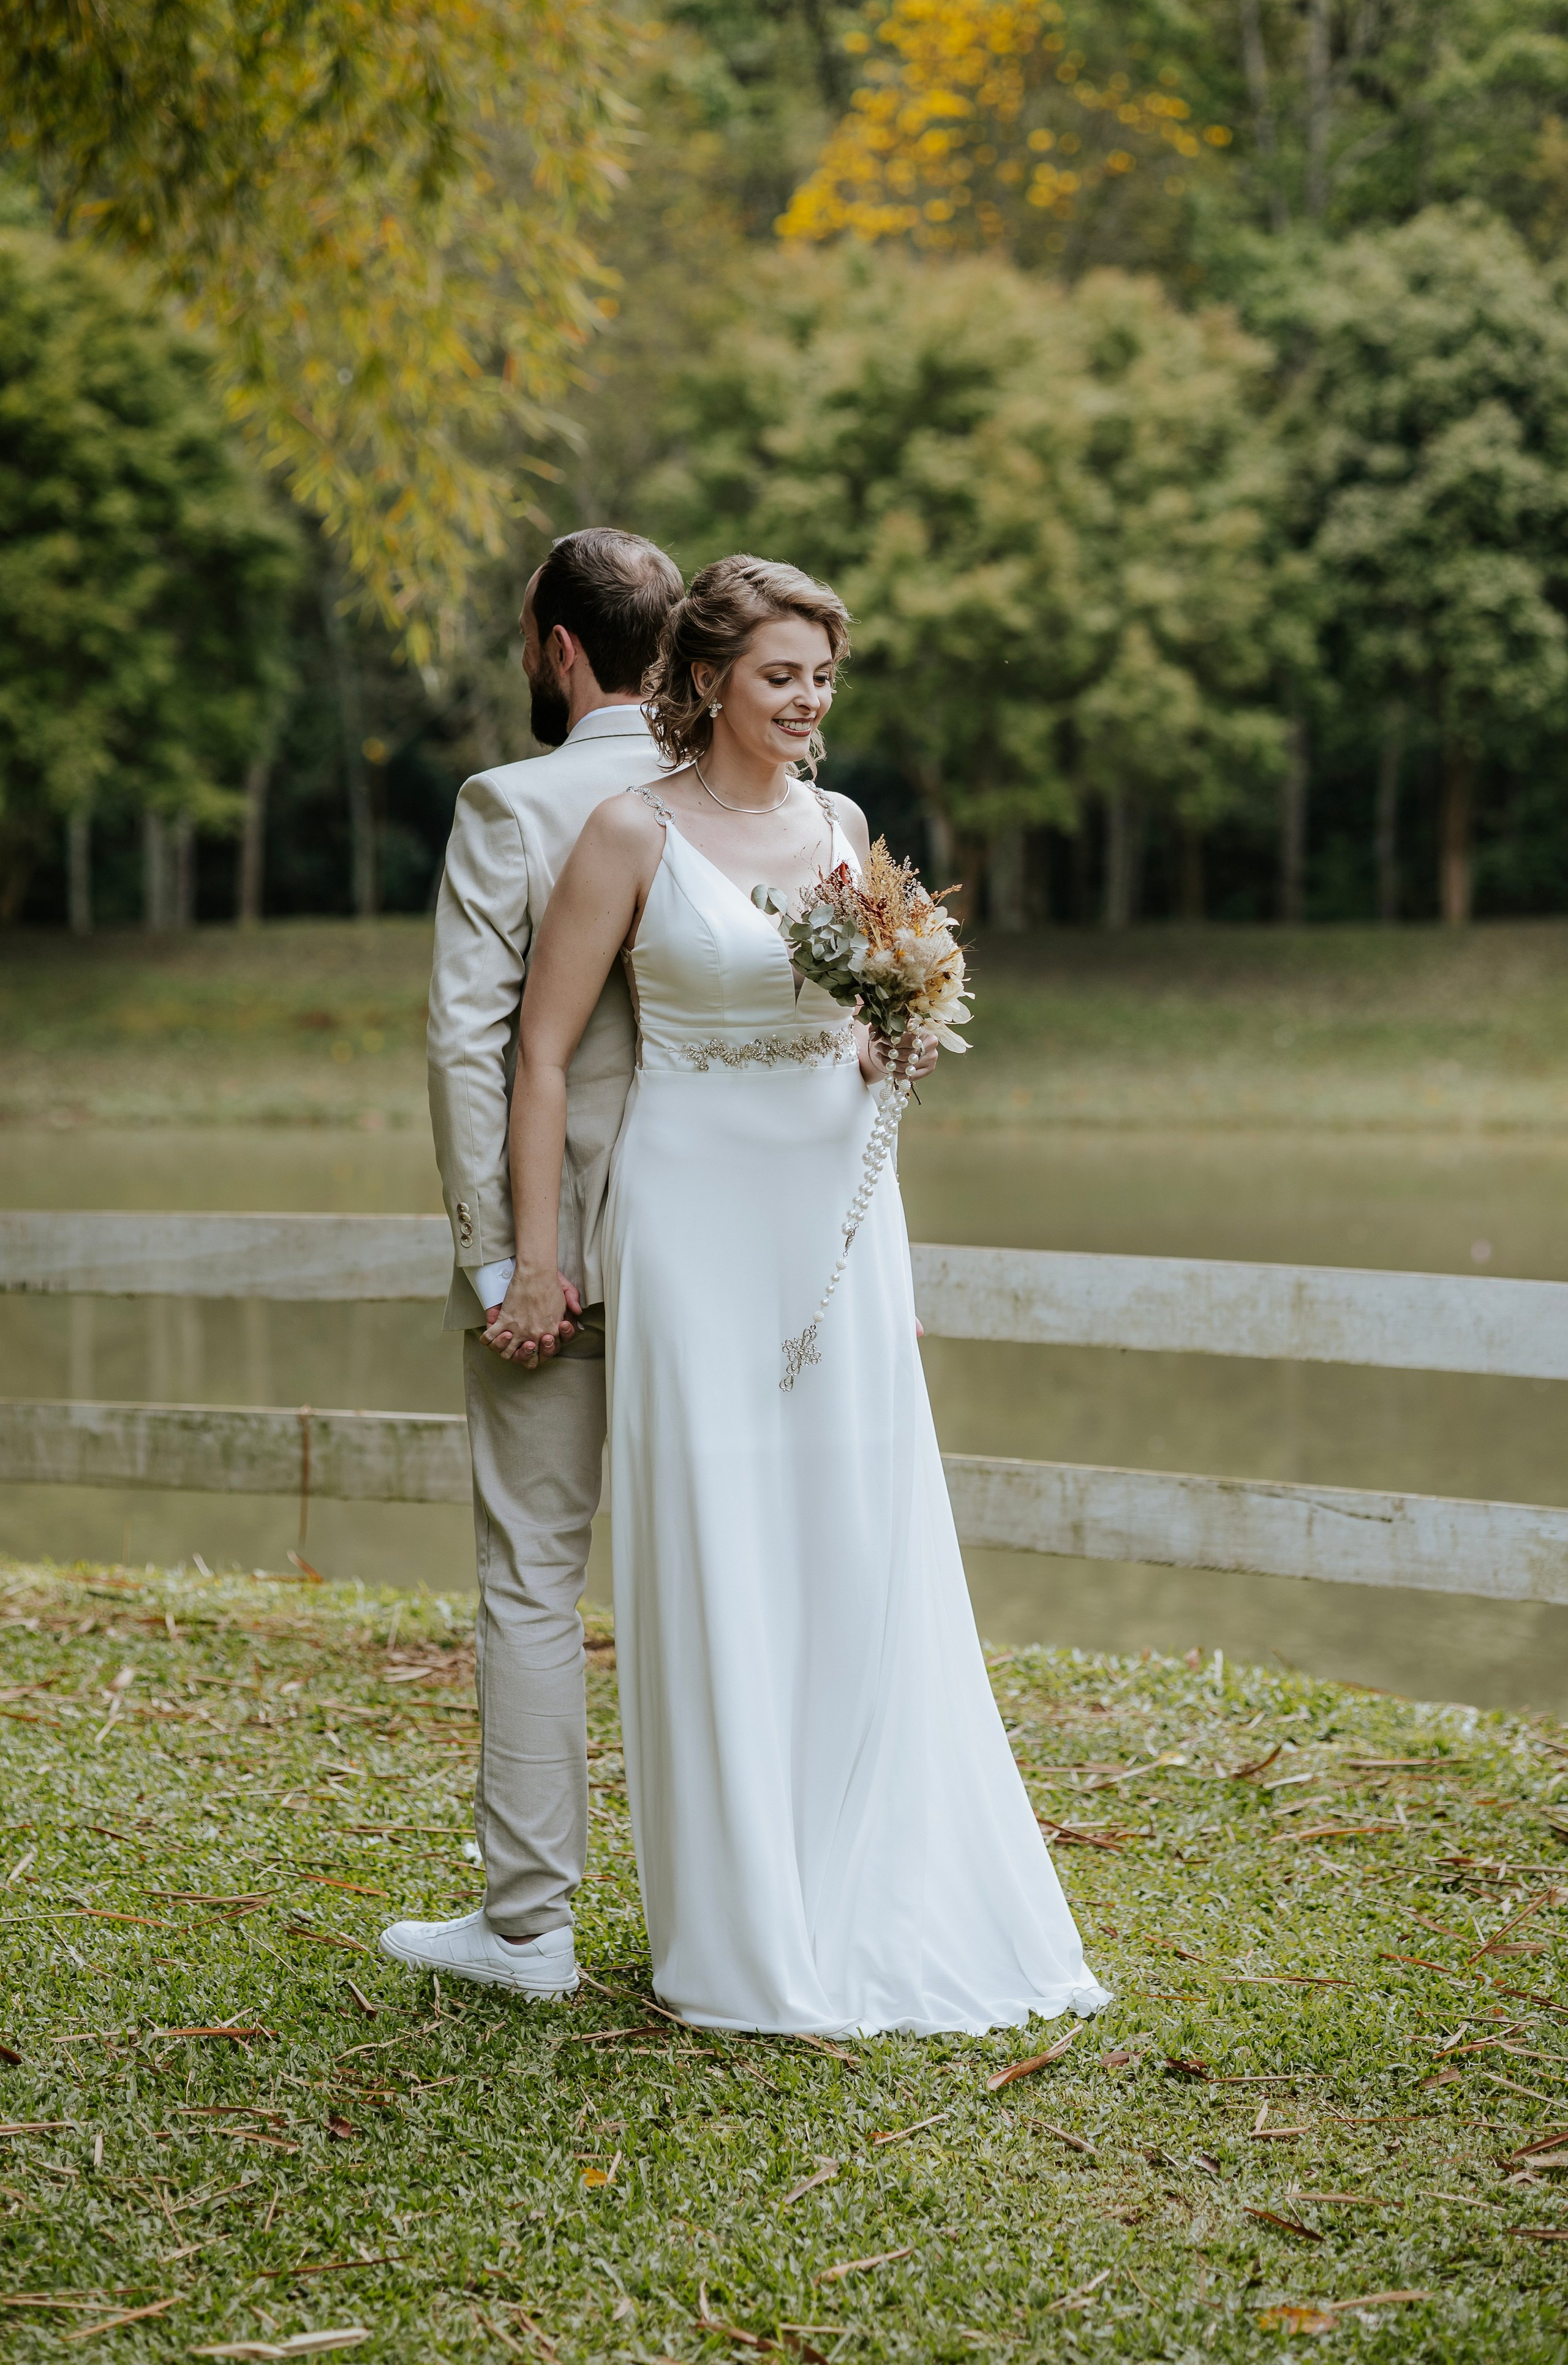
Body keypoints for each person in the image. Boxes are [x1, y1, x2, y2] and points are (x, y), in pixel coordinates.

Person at [486, 553, 1109, 2035]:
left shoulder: (837, 824)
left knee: (851, 1527)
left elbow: (855, 1008)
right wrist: (535, 1252)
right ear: (706, 680)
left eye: (822, 676)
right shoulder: (629, 836)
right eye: (781, 673)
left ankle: (866, 1872)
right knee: (719, 1543)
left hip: (838, 1208)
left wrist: (895, 1037)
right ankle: (742, 1913)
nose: (807, 700)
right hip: (695, 1210)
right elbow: (542, 1055)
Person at [380, 527, 684, 1999]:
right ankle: (736, 1906)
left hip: (555, 1255)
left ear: (557, 648)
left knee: (531, 1575)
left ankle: (528, 1927)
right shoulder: (745, 799)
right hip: (710, 1247)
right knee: (717, 1572)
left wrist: (508, 1262)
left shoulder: (513, 801)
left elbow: (469, 1044)